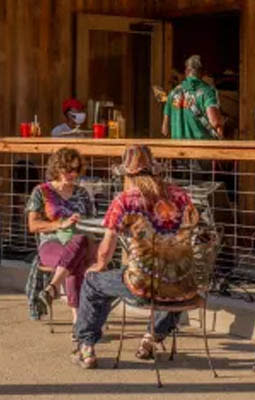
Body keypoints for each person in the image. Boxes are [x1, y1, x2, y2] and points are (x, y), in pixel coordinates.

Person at [72, 145, 198, 369]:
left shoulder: (125, 201)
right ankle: (151, 338)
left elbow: (105, 250)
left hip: (142, 283)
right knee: (174, 285)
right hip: (183, 281)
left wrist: (98, 265)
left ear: (127, 174)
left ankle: (86, 347)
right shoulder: (180, 195)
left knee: (92, 283)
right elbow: (194, 228)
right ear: (156, 171)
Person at [26, 148, 95, 327]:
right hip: (51, 242)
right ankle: (78, 318)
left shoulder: (82, 193)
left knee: (78, 244)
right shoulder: (41, 192)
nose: (72, 174)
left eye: (76, 170)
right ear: (57, 168)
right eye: (67, 169)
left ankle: (53, 287)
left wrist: (81, 221)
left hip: (79, 240)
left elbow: (91, 221)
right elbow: (32, 225)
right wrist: (60, 224)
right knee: (74, 261)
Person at [161, 55, 224, 140]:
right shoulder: (207, 92)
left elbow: (164, 130)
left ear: (186, 71)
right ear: (202, 72)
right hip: (199, 148)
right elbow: (214, 121)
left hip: (177, 149)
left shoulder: (173, 93)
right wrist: (220, 126)